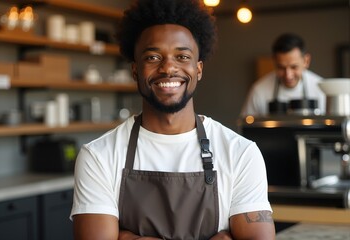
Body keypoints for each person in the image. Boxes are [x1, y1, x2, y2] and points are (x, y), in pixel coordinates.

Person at [71, 0, 275, 239]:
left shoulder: (241, 153)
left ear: (198, 69)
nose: (168, 68)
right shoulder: (99, 156)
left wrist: (126, 236)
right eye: (153, 57)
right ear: (135, 70)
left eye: (182, 56)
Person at [240, 33, 326, 116]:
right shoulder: (259, 90)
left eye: (294, 67)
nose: (288, 75)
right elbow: (246, 127)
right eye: (281, 68)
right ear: (274, 62)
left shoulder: (322, 89)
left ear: (306, 61)